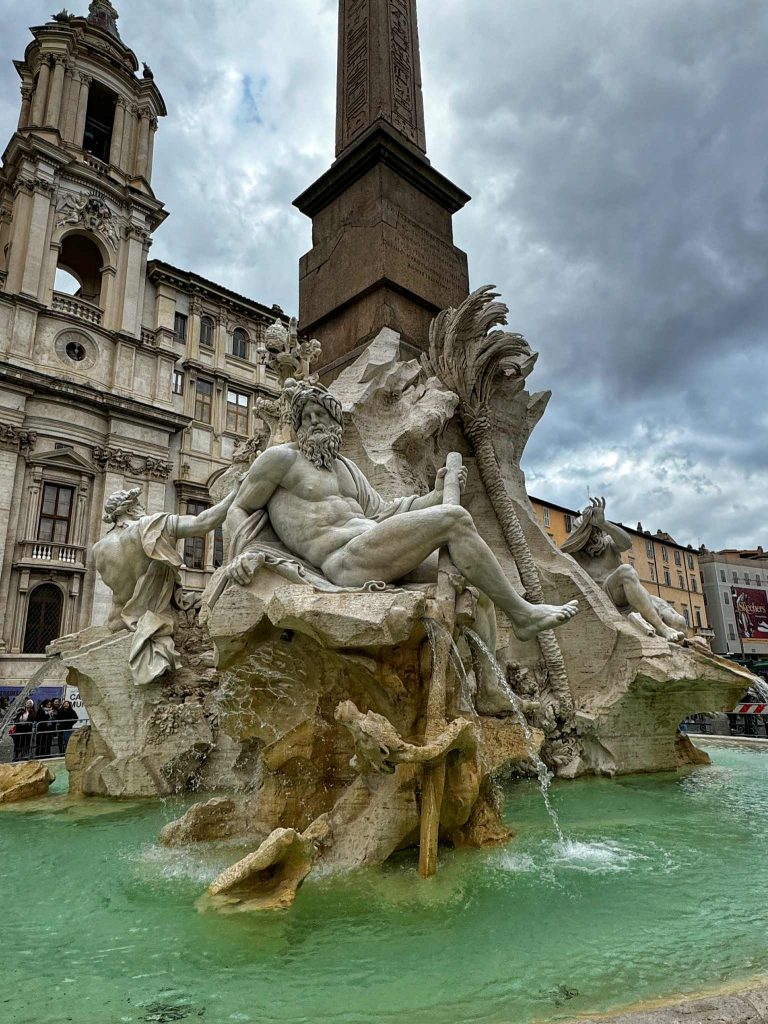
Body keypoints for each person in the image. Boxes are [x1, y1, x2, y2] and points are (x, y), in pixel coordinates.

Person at [225, 383, 579, 642]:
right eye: (307, 418)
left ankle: (487, 692)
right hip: (343, 562)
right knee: (454, 521)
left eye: (322, 415)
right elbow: (239, 507)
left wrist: (437, 494)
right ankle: (522, 614)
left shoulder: (346, 469)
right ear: (298, 427)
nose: (315, 423)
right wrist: (245, 554)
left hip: (372, 546)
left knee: (475, 588)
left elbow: (384, 513)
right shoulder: (281, 460)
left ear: (336, 424)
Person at [93, 478, 243, 685]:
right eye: (138, 504)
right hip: (155, 623)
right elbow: (204, 522)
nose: (143, 507)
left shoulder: (99, 548)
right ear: (130, 508)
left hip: (118, 624)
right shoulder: (150, 527)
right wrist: (237, 490)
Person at [561, 497, 685, 642]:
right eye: (589, 531)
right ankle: (662, 628)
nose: (595, 535)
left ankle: (679, 642)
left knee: (679, 621)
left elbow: (626, 543)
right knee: (626, 570)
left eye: (597, 531)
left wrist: (603, 523)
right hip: (607, 597)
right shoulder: (574, 555)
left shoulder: (608, 544)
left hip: (632, 594)